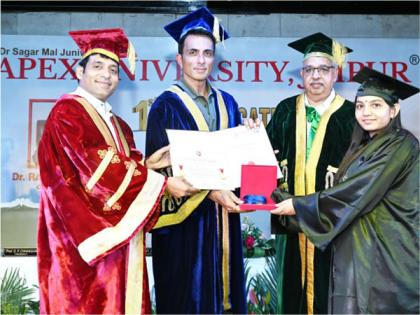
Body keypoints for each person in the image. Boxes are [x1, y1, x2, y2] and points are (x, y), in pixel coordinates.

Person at [37, 28, 197, 314]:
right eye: (97, 67)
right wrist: (162, 183)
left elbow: (120, 168)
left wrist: (147, 166)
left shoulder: (119, 124)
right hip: (81, 246)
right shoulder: (67, 113)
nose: (106, 75)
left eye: (113, 69)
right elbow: (94, 169)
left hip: (119, 243)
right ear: (79, 71)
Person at [271, 66, 419, 314]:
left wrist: (296, 205)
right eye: (360, 106)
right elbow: (343, 199)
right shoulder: (364, 145)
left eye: (376, 105)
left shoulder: (401, 144)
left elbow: (354, 193)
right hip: (361, 251)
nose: (366, 113)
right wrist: (279, 197)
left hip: (387, 256)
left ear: (394, 110)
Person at [145, 7, 247, 314]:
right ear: (180, 59)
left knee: (225, 296)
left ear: (214, 58)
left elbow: (237, 160)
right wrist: (208, 189)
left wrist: (251, 143)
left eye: (207, 53)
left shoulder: (228, 103)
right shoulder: (165, 105)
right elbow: (157, 167)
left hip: (224, 218)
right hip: (183, 226)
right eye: (193, 53)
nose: (200, 60)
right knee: (185, 295)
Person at [266, 32, 355, 314]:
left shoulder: (354, 116)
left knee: (333, 294)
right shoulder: (284, 111)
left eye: (323, 69)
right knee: (291, 292)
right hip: (289, 224)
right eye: (309, 69)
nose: (316, 76)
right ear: (301, 74)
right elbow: (263, 161)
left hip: (334, 226)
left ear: (335, 73)